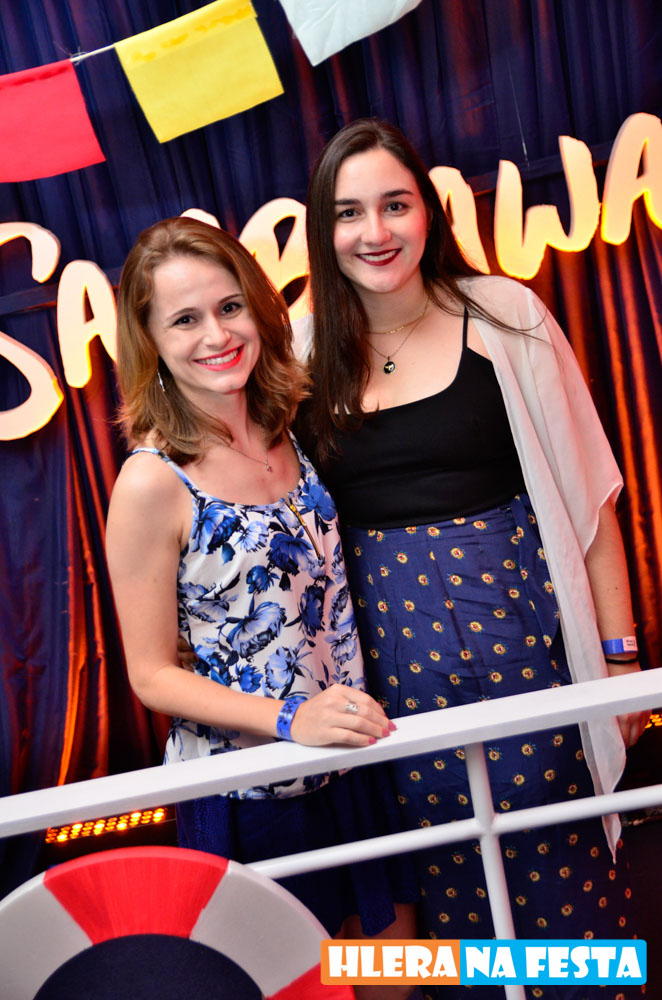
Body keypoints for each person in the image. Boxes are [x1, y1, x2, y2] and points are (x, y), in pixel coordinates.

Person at [295, 118, 650, 994]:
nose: (375, 231)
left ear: (430, 210)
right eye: (349, 213)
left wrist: (619, 660)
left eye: (395, 204)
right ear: (323, 230)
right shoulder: (298, 354)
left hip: (530, 652)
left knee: (560, 857)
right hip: (392, 680)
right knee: (448, 879)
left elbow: (590, 503)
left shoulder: (505, 315)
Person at [105, 216, 419, 976]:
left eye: (229, 306)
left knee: (394, 976)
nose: (216, 334)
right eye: (184, 319)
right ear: (150, 341)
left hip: (350, 762)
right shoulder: (151, 481)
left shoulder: (288, 428)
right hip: (251, 795)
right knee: (298, 987)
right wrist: (289, 719)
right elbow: (151, 675)